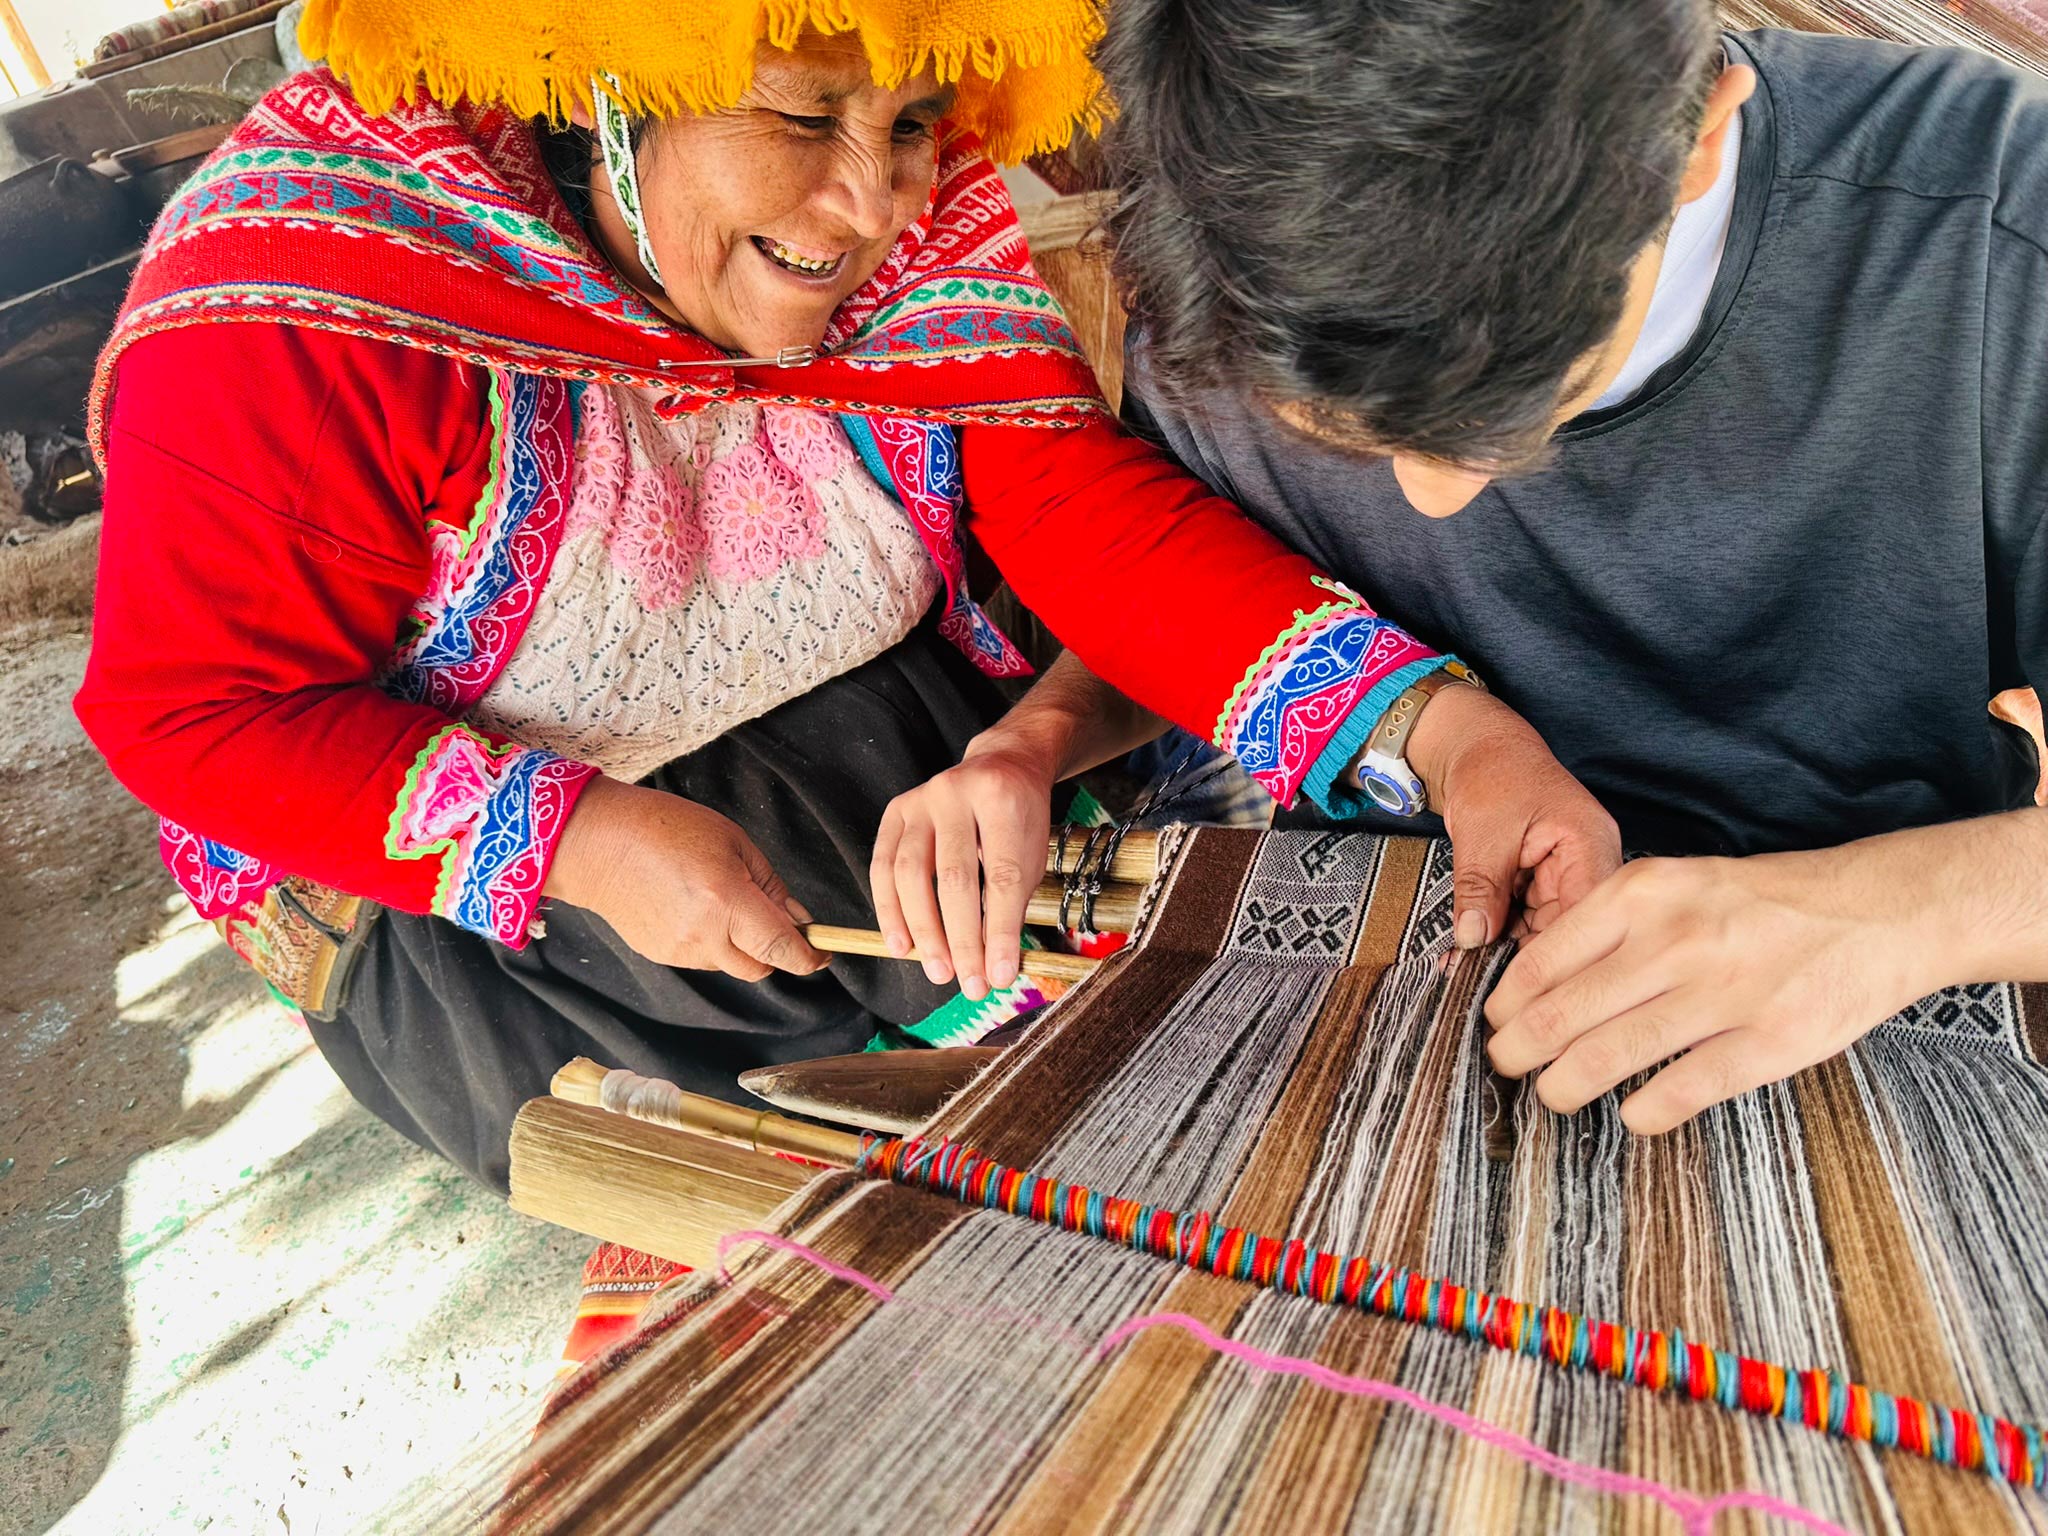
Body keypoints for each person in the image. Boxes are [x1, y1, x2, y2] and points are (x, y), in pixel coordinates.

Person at [74, 0, 1616, 1191]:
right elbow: (197, 714)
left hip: (864, 755)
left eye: (913, 122)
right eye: (801, 115)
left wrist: (1444, 733)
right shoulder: (308, 300)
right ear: (607, 82)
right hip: (503, 921)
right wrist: (583, 843)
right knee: (862, 1166)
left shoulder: (903, 219)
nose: (869, 204)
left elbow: (1087, 520)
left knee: (1165, 894)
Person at [1097, 0, 2048, 1135]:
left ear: (1694, 139)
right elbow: (1198, 576)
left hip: (1880, 1029)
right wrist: (1038, 733)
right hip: (1379, 987)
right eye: (1341, 437)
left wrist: (1888, 915)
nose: (1431, 500)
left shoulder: (2003, 231)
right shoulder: (1217, 248)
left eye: (1498, 410)